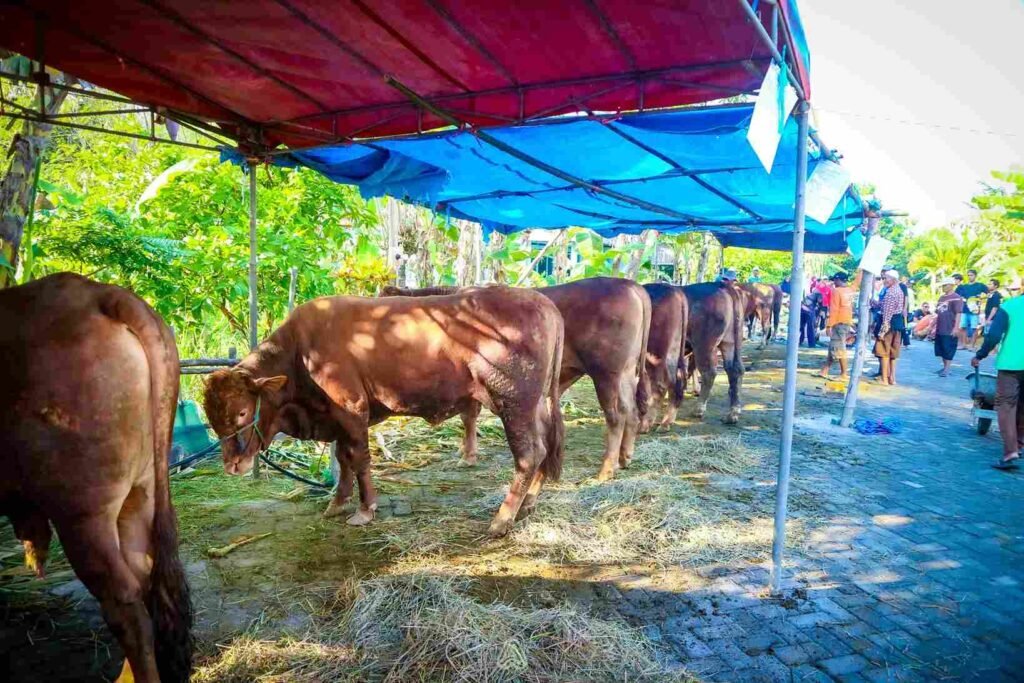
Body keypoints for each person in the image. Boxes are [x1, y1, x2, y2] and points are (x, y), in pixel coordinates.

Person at [971, 279, 1024, 470]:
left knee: (1006, 406)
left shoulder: (1010, 306)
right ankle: (1020, 442)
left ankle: (1010, 452)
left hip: (1011, 364)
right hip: (1012, 365)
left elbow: (993, 336)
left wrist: (980, 355)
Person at [818, 270, 862, 380]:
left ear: (838, 280)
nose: (834, 282)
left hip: (838, 322)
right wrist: (860, 271)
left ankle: (843, 374)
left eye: (835, 280)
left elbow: (834, 309)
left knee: (839, 348)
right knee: (834, 346)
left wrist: (829, 325)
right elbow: (857, 282)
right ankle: (825, 370)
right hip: (846, 321)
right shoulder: (851, 290)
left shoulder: (836, 291)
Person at [872, 270, 905, 385]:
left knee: (884, 352)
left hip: (889, 325)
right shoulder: (898, 290)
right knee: (892, 353)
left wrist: (882, 332)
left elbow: (887, 315)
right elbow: (885, 305)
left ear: (893, 280)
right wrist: (875, 303)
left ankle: (884, 379)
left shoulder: (891, 293)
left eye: (886, 278)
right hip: (897, 324)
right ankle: (892, 378)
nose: (884, 281)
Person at [934, 277, 964, 377]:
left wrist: (956, 328)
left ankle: (947, 369)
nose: (943, 287)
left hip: (949, 327)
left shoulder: (957, 298)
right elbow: (937, 313)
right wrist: (932, 326)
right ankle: (944, 367)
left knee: (949, 349)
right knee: (942, 349)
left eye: (945, 285)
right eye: (943, 285)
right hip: (940, 327)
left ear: (951, 285)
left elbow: (958, 313)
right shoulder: (941, 298)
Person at [955, 269, 987, 350]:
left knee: (974, 328)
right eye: (968, 275)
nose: (970, 277)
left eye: (971, 275)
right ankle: (963, 344)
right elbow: (957, 296)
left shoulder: (980, 285)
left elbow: (987, 294)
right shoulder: (964, 287)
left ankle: (972, 346)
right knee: (962, 327)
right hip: (964, 309)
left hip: (974, 311)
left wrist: (981, 298)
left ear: (975, 276)